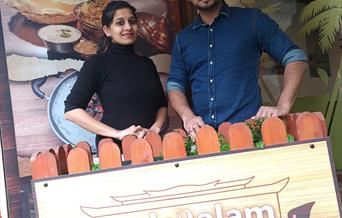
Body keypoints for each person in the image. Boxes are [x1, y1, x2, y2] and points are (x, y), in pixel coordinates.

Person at [167, 0, 308, 138]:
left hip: (251, 134)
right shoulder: (183, 39)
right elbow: (174, 85)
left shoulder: (252, 20)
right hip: (203, 138)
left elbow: (295, 57)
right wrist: (188, 117)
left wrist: (283, 105)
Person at [64, 1, 168, 148]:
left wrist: (154, 129)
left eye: (132, 21)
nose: (128, 27)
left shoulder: (147, 64)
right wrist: (118, 133)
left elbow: (161, 105)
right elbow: (71, 111)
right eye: (120, 23)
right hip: (113, 148)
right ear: (107, 30)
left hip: (151, 144)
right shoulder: (97, 63)